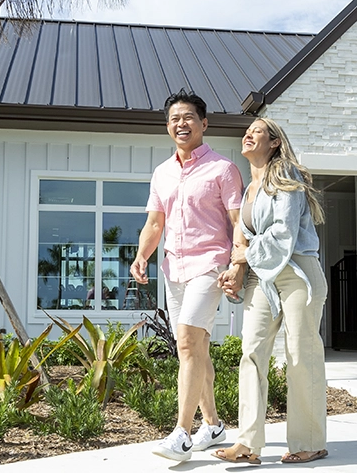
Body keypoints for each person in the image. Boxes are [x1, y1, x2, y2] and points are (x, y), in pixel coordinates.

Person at [131, 89, 244, 462]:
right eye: (175, 119)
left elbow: (237, 222)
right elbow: (154, 221)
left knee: (186, 344)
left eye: (189, 118)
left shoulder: (223, 169)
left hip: (210, 265)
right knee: (195, 350)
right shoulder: (162, 173)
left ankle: (181, 434)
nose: (182, 124)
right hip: (173, 268)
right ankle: (212, 425)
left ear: (204, 123)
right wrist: (141, 255)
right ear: (168, 126)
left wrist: (237, 264)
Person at [215, 117, 329, 465]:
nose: (248, 134)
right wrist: (237, 269)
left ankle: (309, 441)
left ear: (275, 142)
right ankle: (247, 443)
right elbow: (243, 238)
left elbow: (284, 233)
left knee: (300, 354)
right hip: (263, 278)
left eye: (257, 131)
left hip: (297, 274)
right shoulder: (250, 189)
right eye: (247, 131)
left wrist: (245, 254)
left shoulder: (286, 177)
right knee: (251, 352)